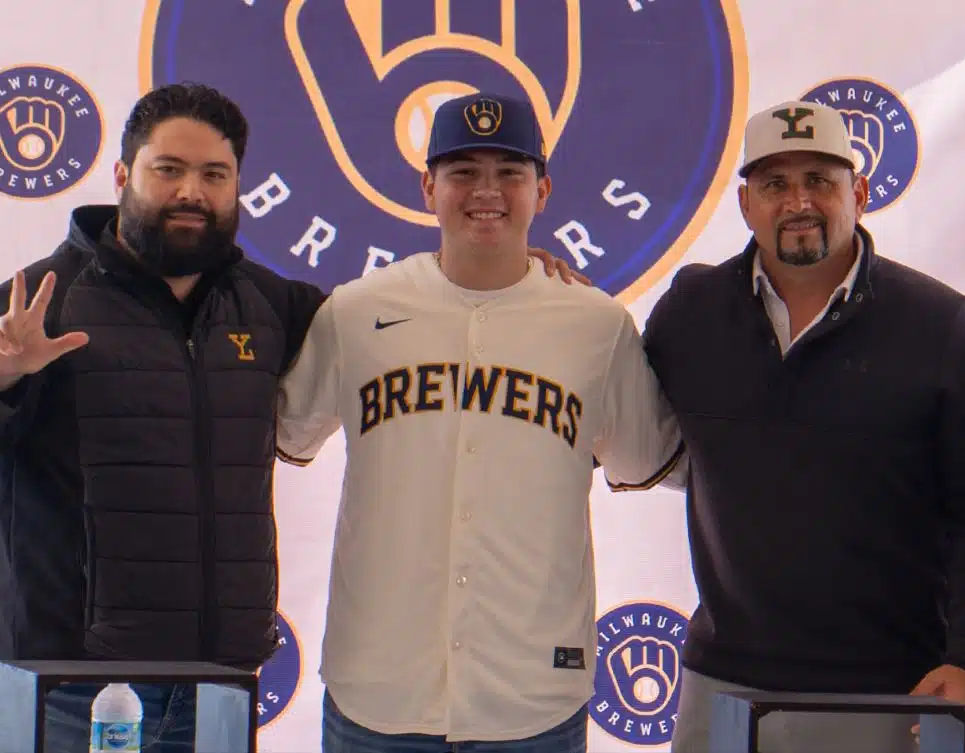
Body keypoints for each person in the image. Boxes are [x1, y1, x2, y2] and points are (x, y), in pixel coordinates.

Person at [0, 83, 582, 753]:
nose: (191, 191)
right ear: (122, 176)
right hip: (71, 694)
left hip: (219, 690)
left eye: (213, 174)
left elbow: (404, 324)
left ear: (235, 188)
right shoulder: (41, 303)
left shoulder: (269, 305)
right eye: (168, 169)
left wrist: (512, 273)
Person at [275, 92, 685, 753]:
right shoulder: (356, 312)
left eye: (510, 172)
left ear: (542, 189)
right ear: (428, 185)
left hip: (530, 699)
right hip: (379, 691)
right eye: (463, 170)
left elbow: (651, 458)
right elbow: (284, 429)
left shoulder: (595, 325)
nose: (486, 190)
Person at [639, 100, 965, 752]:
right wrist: (535, 282)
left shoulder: (938, 324)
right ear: (744, 204)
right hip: (724, 684)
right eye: (775, 184)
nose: (799, 201)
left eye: (820, 179)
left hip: (893, 687)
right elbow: (619, 420)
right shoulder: (690, 314)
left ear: (861, 192)